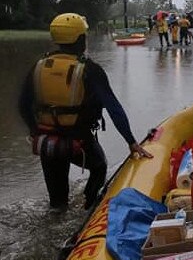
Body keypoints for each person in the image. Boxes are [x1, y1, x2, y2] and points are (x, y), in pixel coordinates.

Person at [19, 13, 153, 212]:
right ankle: (88, 207)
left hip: (47, 142)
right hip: (78, 139)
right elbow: (114, 108)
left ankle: (58, 217)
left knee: (57, 203)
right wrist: (131, 142)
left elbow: (23, 105)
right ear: (81, 39)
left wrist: (34, 131)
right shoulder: (90, 70)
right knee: (99, 168)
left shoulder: (38, 67)